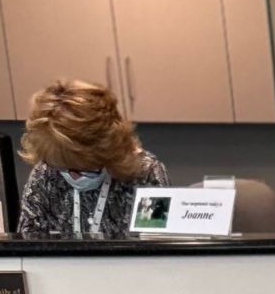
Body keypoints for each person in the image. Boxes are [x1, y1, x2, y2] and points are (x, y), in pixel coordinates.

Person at [17, 80, 166, 240]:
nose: (73, 177)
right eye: (63, 168)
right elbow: (29, 247)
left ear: (106, 153)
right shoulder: (45, 174)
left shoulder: (145, 172)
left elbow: (155, 252)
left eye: (82, 168)